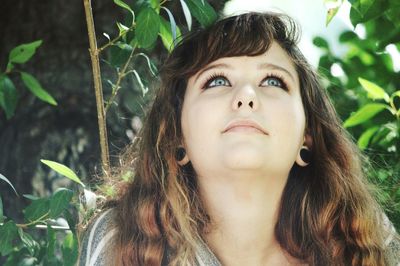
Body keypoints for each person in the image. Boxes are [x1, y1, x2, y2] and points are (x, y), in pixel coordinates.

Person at [78, 12, 399, 266]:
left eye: (273, 80)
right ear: (177, 136)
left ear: (308, 135)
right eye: (217, 80)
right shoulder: (119, 239)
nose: (246, 96)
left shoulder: (367, 241)